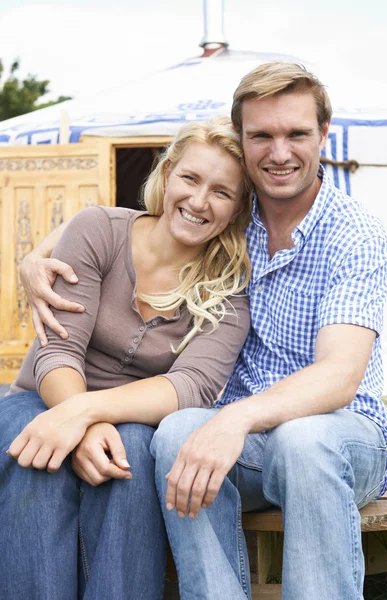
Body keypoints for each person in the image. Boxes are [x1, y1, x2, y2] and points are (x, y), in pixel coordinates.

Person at [18, 63, 387, 600]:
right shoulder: (236, 214)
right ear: (243, 146)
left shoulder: (353, 233)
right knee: (176, 435)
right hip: (244, 442)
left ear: (324, 136)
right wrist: (35, 257)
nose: (280, 151)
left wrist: (234, 419)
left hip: (339, 435)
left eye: (297, 134)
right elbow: (137, 221)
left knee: (302, 438)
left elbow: (338, 377)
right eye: (262, 136)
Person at [0, 117, 253, 600]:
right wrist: (80, 423)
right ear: (167, 173)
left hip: (135, 422)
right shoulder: (100, 230)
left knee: (133, 456)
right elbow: (59, 347)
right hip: (40, 399)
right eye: (191, 178)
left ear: (238, 208)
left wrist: (88, 415)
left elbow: (191, 386)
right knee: (34, 448)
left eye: (222, 193)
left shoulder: (229, 286)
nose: (200, 201)